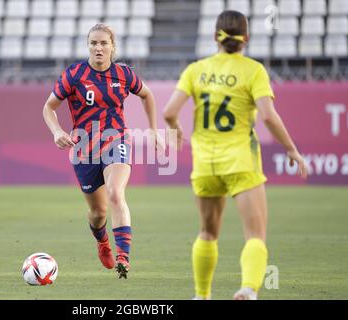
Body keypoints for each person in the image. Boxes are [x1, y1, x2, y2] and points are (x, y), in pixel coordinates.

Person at [163, 11, 308, 299]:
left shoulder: (196, 70)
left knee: (207, 233)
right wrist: (291, 149)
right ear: (246, 38)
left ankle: (202, 295)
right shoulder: (253, 70)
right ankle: (248, 290)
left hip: (205, 164)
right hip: (241, 161)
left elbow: (168, 112)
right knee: (255, 235)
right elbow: (267, 117)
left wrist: (177, 129)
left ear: (215, 36)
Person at [42, 23, 163, 279]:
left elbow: (147, 95)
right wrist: (56, 131)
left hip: (115, 139)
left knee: (116, 193)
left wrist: (153, 129)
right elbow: (48, 107)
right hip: (83, 149)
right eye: (93, 43)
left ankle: (123, 257)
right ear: (88, 46)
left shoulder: (124, 74)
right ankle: (103, 242)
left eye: (103, 43)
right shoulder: (74, 74)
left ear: (112, 46)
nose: (98, 47)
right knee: (98, 214)